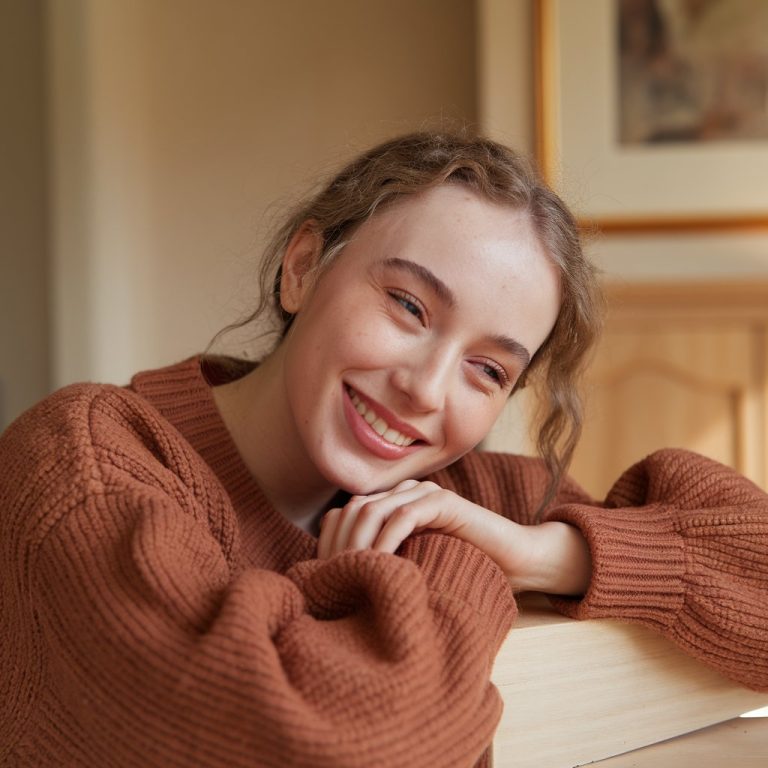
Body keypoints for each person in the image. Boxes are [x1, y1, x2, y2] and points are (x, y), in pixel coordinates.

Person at [1, 131, 766, 768]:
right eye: (408, 305)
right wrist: (449, 554)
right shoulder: (83, 466)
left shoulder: (457, 487)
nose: (426, 389)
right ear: (302, 268)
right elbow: (326, 746)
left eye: (488, 369)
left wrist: (542, 554)